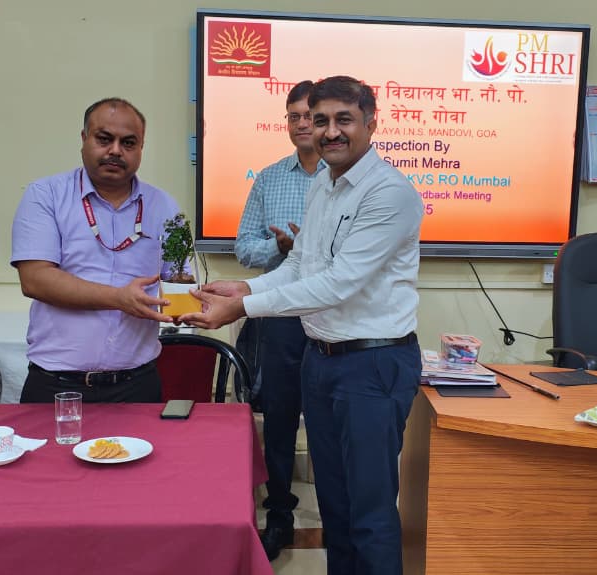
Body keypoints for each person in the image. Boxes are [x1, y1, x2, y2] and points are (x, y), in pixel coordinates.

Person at [179, 75, 425, 575]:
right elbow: (300, 266)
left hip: (372, 365)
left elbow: (338, 284)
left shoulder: (389, 193)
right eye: (320, 120)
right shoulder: (322, 185)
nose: (330, 131)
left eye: (343, 120)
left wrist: (244, 309)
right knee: (335, 507)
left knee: (370, 513)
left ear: (371, 123)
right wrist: (244, 289)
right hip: (322, 361)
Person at [10, 97, 183, 403]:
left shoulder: (166, 206)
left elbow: (179, 281)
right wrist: (119, 299)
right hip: (57, 385)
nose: (115, 150)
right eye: (104, 139)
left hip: (137, 385)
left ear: (141, 147)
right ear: (84, 139)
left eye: (128, 143)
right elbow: (35, 280)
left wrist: (204, 303)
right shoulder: (45, 195)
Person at [233, 80, 325, 561]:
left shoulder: (346, 177)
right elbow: (244, 248)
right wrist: (280, 247)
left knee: (332, 417)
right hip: (283, 313)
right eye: (294, 116)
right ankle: (280, 514)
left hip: (334, 316)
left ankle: (337, 513)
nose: (302, 124)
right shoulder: (270, 179)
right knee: (281, 416)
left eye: (310, 115)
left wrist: (311, 249)